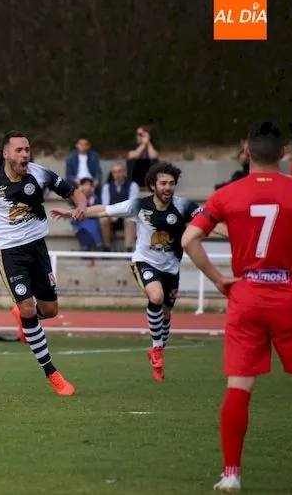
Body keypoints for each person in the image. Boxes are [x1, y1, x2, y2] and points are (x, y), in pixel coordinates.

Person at [182, 121, 292, 492]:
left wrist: (218, 279)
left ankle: (231, 474)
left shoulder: (227, 195)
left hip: (246, 294)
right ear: (282, 153)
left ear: (246, 151)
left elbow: (189, 239)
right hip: (288, 294)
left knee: (239, 387)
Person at [52, 162, 205, 382]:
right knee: (156, 296)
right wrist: (74, 212)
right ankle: (157, 348)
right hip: (144, 262)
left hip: (171, 268)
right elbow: (104, 210)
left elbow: (209, 220)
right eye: (163, 183)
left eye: (171, 183)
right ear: (153, 185)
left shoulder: (183, 206)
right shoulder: (138, 205)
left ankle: (158, 350)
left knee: (166, 314)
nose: (168, 187)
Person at [0, 130, 86, 396]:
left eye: (27, 150)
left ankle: (23, 316)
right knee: (28, 307)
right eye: (19, 150)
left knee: (50, 310)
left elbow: (75, 192)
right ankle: (52, 373)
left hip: (38, 248)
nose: (25, 155)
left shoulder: (39, 173)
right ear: (6, 154)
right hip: (9, 253)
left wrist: (80, 206)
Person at [100, 163, 139, 251]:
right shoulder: (107, 187)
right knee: (103, 219)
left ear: (124, 173)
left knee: (130, 218)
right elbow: (105, 205)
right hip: (112, 216)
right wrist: (113, 214)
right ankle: (106, 247)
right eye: (114, 172)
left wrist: (119, 214)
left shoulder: (133, 186)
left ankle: (128, 248)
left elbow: (132, 205)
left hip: (126, 214)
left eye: (119, 171)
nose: (117, 174)